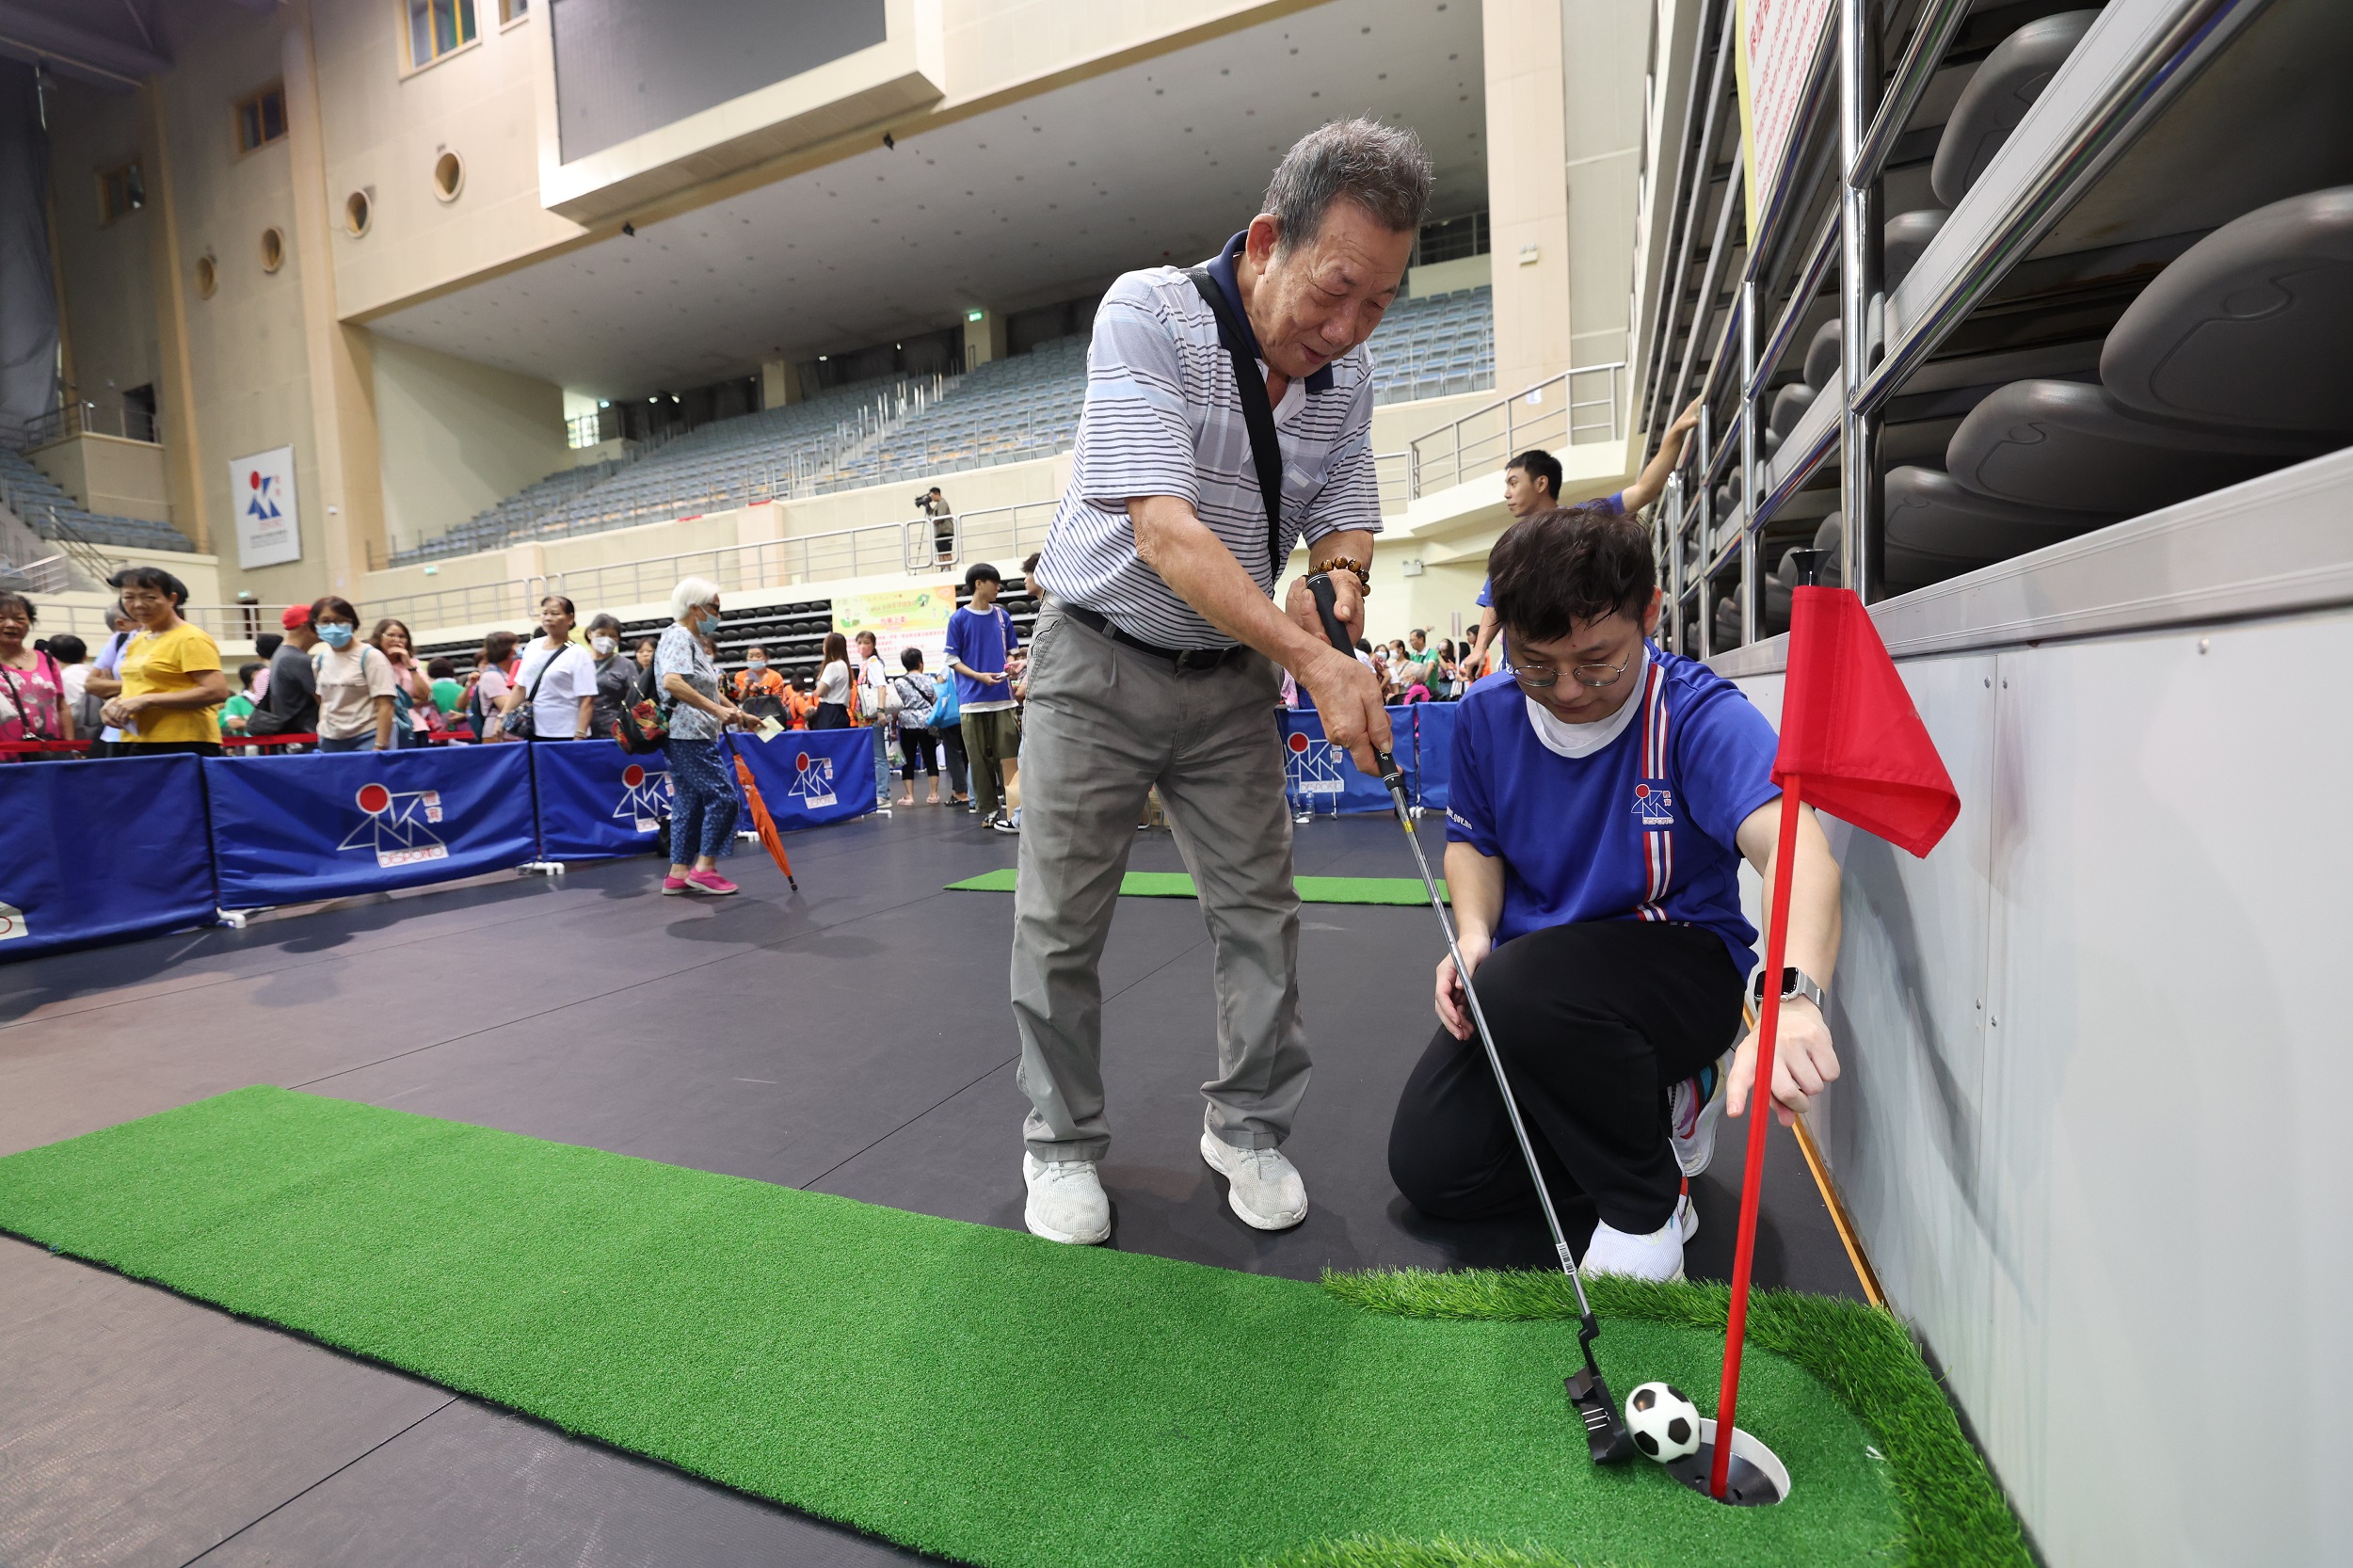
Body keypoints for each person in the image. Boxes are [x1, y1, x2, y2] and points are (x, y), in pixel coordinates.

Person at [1011, 120, 1423, 1246]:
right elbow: (1164, 534)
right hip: (1096, 660)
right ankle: (1059, 1143)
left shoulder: (1346, 374)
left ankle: (1246, 1127)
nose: (1346, 327)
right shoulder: (1148, 314)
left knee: (1261, 918)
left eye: (1378, 303)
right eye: (1335, 290)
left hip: (1230, 678)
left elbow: (1342, 511)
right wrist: (1314, 660)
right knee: (1059, 925)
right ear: (1267, 240)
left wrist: (1337, 583)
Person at [1385, 504, 1844, 1282]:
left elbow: (1801, 854)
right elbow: (1474, 843)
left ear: (1650, 614)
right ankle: (1645, 1114)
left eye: (1597, 663)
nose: (1567, 690)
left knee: (1523, 987)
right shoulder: (1487, 717)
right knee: (1435, 1168)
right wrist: (1474, 934)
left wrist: (1792, 998)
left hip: (1678, 965)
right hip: (1536, 985)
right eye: (1537, 665)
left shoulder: (1693, 711)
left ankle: (1648, 1207)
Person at [1465, 397, 1703, 677]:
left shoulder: (1586, 520)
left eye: (1514, 483)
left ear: (1541, 483)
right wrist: (1479, 649)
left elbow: (1644, 489)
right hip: (1535, 672)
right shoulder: (1513, 544)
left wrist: (1676, 432)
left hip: (1592, 668)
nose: (1507, 493)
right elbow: (1496, 600)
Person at [656, 577, 755, 896]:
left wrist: (737, 712)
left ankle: (678, 872)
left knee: (688, 802)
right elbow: (672, 682)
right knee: (723, 797)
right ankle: (705, 868)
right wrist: (716, 710)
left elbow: (704, 688)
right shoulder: (678, 636)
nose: (718, 615)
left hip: (690, 733)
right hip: (688, 734)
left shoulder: (691, 640)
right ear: (695, 608)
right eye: (715, 608)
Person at [101, 567, 227, 756]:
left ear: (172, 599)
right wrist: (115, 703)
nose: (138, 604)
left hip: (183, 742)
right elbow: (145, 686)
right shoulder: (139, 639)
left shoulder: (190, 638)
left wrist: (147, 700)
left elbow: (216, 691)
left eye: (150, 597)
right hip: (140, 739)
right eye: (129, 598)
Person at [945, 562, 1020, 833]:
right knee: (978, 762)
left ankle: (1015, 809)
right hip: (972, 703)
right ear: (979, 583)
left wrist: (1011, 665)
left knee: (1009, 757)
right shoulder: (958, 619)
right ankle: (989, 810)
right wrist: (979, 676)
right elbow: (951, 659)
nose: (998, 587)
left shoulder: (1002, 616)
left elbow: (1012, 651)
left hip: (1003, 699)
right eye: (994, 582)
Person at [309, 596, 398, 753]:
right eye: (325, 621)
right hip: (331, 740)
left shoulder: (371, 657)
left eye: (340, 620)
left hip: (368, 736)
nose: (333, 626)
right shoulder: (319, 660)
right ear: (315, 625)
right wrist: (322, 731)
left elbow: (386, 705)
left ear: (352, 623)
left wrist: (380, 745)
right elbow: (325, 701)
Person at [503, 596, 598, 742]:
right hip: (533, 729)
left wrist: (580, 734)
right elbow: (521, 687)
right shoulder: (532, 647)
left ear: (570, 618)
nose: (548, 618)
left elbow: (587, 699)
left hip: (565, 733)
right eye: (544, 613)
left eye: (555, 613)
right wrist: (502, 717)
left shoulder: (578, 654)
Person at [0, 591, 72, 759]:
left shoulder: (47, 660)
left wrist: (70, 746)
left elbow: (61, 705)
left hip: (49, 752)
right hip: (5, 756)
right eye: (1, 618)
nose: (11, 624)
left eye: (19, 619)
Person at [248, 604, 320, 744]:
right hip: (306, 738)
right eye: (321, 623)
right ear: (305, 626)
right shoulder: (296, 659)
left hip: (293, 738)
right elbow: (325, 702)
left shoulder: (281, 654)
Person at [80, 600, 139, 755]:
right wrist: (141, 686)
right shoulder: (118, 642)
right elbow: (92, 684)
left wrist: (113, 685)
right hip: (116, 732)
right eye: (136, 617)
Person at [890, 647, 942, 807]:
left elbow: (895, 706)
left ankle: (909, 796)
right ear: (920, 663)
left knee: (908, 760)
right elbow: (936, 700)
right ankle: (933, 794)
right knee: (930, 758)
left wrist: (893, 726)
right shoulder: (930, 680)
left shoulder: (899, 682)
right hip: (927, 723)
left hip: (907, 724)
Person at [371, 618, 433, 747]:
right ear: (379, 638)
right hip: (379, 728)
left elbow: (427, 697)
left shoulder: (414, 664)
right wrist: (410, 701)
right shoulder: (371, 663)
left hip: (414, 728)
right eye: (391, 635)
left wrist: (409, 664)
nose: (397, 640)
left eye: (402, 636)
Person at [853, 630, 895, 808]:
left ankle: (883, 795)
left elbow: (881, 686)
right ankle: (876, 792)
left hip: (873, 716)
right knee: (872, 755)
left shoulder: (873, 663)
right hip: (864, 717)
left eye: (867, 643)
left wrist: (880, 710)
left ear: (873, 645)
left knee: (878, 756)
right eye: (860, 643)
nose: (863, 646)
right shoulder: (864, 664)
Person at [584, 615, 636, 738]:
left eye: (612, 636)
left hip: (614, 733)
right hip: (580, 730)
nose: (606, 639)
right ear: (590, 634)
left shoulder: (626, 665)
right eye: (601, 634)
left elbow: (635, 700)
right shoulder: (579, 662)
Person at [471, 631, 520, 740]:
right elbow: (506, 705)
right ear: (506, 650)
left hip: (514, 733)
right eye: (516, 646)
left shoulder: (510, 673)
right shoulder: (491, 676)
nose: (519, 649)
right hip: (497, 735)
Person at [47, 632, 94, 739]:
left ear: (50, 657)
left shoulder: (68, 678)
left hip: (83, 740)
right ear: (85, 656)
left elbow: (79, 715)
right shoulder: (93, 676)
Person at [732, 645, 790, 722]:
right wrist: (747, 688)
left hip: (772, 717)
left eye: (758, 656)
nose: (754, 659)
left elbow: (778, 700)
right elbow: (741, 699)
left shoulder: (775, 677)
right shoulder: (740, 676)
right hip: (750, 717)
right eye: (750, 656)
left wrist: (761, 692)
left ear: (766, 658)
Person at [808, 632, 853, 728]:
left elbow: (820, 692)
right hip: (841, 712)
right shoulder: (844, 665)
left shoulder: (833, 666)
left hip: (829, 713)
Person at [220, 663, 265, 735]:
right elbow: (234, 723)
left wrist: (245, 722)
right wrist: (265, 724)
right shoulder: (235, 701)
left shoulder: (272, 699)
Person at [924, 486, 955, 563]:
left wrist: (933, 521)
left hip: (946, 531)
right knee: (940, 552)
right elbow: (932, 513)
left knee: (946, 551)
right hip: (940, 532)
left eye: (931, 495)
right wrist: (926, 505)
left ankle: (947, 567)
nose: (931, 498)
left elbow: (940, 518)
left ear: (936, 494)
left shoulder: (942, 503)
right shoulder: (938, 504)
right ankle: (943, 567)